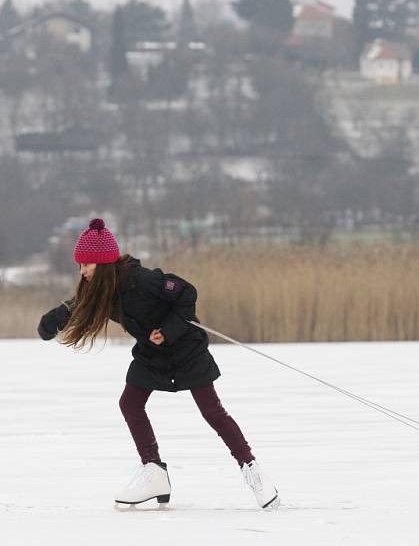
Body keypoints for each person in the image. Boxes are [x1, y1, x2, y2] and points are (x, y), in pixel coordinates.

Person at [38, 218, 279, 510]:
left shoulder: (143, 280)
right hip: (152, 355)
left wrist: (167, 330)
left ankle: (252, 469)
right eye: (80, 266)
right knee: (130, 403)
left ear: (102, 264)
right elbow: (80, 304)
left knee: (212, 411)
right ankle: (153, 471)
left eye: (86, 265)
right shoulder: (103, 290)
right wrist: (55, 317)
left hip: (187, 349)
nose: (82, 271)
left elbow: (187, 293)